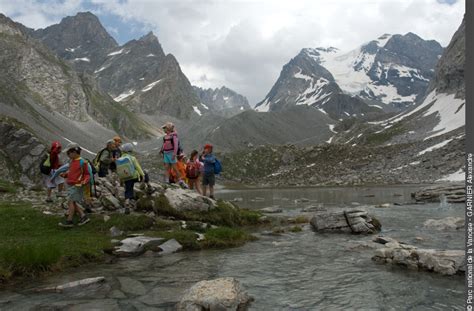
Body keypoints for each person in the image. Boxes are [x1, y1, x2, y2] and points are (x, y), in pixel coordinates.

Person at [58, 143, 90, 228]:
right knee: (73, 202)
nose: (67, 155)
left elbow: (87, 174)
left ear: (74, 152)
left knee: (70, 201)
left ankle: (69, 220)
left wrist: (84, 181)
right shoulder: (72, 162)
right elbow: (72, 173)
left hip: (78, 185)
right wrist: (65, 175)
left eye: (68, 153)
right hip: (71, 185)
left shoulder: (82, 162)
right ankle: (83, 216)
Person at [118, 143, 145, 215]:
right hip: (134, 177)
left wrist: (121, 180)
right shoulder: (132, 158)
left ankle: (127, 202)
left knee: (128, 190)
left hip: (126, 178)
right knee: (146, 174)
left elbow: (119, 171)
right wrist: (143, 175)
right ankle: (149, 187)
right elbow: (138, 167)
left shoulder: (119, 159)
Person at [160, 122, 187, 188]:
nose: (164, 130)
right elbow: (164, 144)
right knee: (167, 168)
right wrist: (161, 150)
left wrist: (174, 154)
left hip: (171, 153)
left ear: (168, 128)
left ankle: (181, 181)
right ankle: (166, 181)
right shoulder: (165, 137)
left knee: (175, 168)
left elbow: (176, 146)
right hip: (166, 153)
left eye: (165, 128)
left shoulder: (174, 136)